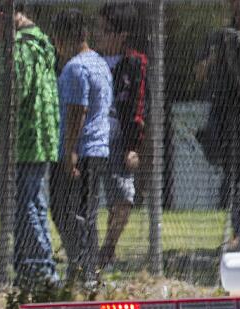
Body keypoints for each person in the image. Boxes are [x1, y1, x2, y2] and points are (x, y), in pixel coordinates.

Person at [0, 1, 59, 287]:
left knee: (23, 206)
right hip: (35, 138)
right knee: (31, 203)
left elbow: (13, 94)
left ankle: (41, 269)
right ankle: (31, 268)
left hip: (20, 141)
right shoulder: (41, 41)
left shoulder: (19, 47)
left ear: (1, 18)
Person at [195, 0, 240, 252]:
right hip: (225, 115)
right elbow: (199, 72)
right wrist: (216, 57)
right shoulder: (220, 36)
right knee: (234, 175)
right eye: (238, 9)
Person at [51, 8, 112, 288]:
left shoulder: (75, 67)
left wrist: (69, 151)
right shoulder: (99, 62)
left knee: (65, 210)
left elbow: (78, 111)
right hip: (98, 149)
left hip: (80, 150)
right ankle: (88, 271)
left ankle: (82, 268)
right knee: (86, 213)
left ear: (62, 38)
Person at [95, 2, 146, 270]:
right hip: (94, 139)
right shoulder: (93, 60)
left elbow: (138, 104)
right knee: (97, 197)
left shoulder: (134, 63)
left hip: (119, 141)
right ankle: (92, 251)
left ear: (121, 34)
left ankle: (108, 247)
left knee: (123, 197)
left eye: (104, 30)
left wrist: (133, 146)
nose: (99, 35)